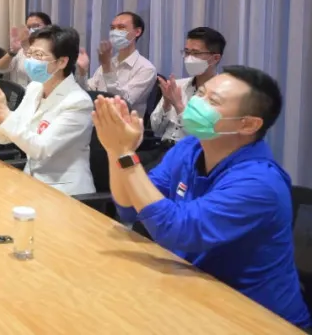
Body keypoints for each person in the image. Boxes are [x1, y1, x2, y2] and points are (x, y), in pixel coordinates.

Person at [93, 69, 310, 329]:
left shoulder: (260, 183)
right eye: (201, 93)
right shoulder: (190, 148)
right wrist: (114, 150)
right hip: (191, 292)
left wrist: (126, 154)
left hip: (257, 319)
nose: (197, 103)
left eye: (213, 101)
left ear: (248, 124)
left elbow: (177, 231)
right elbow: (130, 206)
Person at [0, 25, 95, 195]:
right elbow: (4, 138)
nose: (31, 60)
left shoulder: (78, 102)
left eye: (39, 55)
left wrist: (4, 112)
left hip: (64, 191)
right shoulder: (35, 88)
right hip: (31, 182)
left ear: (62, 62)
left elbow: (41, 149)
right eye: (30, 54)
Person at [151, 27, 226, 147]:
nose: (189, 58)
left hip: (193, 151)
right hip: (163, 147)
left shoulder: (223, 94)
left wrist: (178, 105)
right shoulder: (178, 85)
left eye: (196, 53)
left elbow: (202, 135)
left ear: (215, 58)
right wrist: (166, 104)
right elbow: (156, 129)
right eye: (187, 52)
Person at [76, 11, 157, 117]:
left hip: (125, 124)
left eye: (121, 27)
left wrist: (107, 68)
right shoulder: (109, 62)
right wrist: (82, 73)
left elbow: (121, 103)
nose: (115, 32)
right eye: (112, 28)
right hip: (96, 120)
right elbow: (85, 94)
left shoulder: (146, 69)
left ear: (137, 32)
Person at [0, 11, 52, 87]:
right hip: (19, 92)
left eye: (36, 26)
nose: (31, 30)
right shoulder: (21, 49)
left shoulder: (54, 50)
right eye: (28, 27)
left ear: (48, 27)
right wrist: (12, 52)